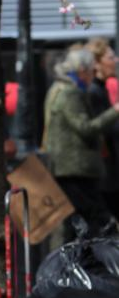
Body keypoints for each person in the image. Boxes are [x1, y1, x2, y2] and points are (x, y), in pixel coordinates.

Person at [43, 45, 119, 235]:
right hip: (75, 168)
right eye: (92, 70)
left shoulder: (59, 88)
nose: (94, 74)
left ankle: (80, 259)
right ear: (82, 70)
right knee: (93, 218)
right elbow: (86, 128)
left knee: (77, 221)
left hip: (68, 167)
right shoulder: (70, 92)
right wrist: (115, 111)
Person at [85, 38, 119, 218]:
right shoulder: (93, 92)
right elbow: (101, 128)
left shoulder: (100, 89)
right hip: (104, 173)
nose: (116, 60)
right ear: (97, 63)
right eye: (111, 57)